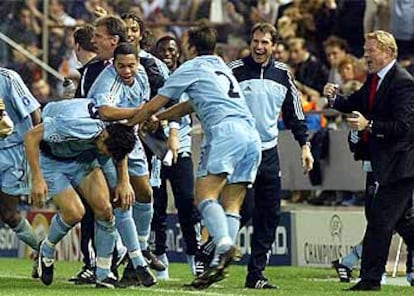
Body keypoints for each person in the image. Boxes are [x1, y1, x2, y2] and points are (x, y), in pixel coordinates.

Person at [127, 24, 262, 289]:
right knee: (232, 204)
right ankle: (215, 266)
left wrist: (130, 122)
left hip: (225, 132)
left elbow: (157, 101)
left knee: (204, 196)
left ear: (190, 45)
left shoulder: (190, 67)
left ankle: (223, 245)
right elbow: (191, 104)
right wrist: (161, 118)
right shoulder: (221, 66)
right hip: (250, 134)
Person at [323, 30, 414, 291]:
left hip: (400, 165)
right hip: (383, 164)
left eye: (370, 50)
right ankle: (370, 278)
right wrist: (334, 98)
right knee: (402, 221)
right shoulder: (375, 80)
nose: (365, 55)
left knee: (380, 220)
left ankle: (370, 280)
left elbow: (404, 127)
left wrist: (369, 125)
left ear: (387, 52)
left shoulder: (403, 82)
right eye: (366, 49)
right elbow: (354, 102)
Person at [228, 22, 314, 289]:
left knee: (270, 212)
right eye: (255, 41)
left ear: (274, 46)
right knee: (245, 209)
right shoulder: (235, 71)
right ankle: (211, 248)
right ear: (250, 42)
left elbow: (294, 113)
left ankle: (256, 274)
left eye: (265, 42)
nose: (259, 46)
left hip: (268, 152)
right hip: (240, 151)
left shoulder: (282, 74)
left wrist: (305, 145)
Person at [25, 98, 136, 288]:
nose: (109, 156)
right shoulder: (74, 124)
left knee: (105, 210)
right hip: (50, 161)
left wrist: (123, 181)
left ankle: (103, 273)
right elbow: (31, 136)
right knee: (75, 213)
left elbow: (119, 151)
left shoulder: (111, 132)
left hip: (81, 159)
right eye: (108, 152)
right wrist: (37, 178)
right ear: (102, 138)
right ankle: (48, 247)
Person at [87, 42, 161, 287]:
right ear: (113, 64)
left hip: (131, 139)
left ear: (138, 62)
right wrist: (141, 111)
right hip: (106, 142)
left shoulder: (141, 76)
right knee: (119, 202)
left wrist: (145, 117)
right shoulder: (107, 81)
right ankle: (116, 264)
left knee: (145, 194)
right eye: (121, 66)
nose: (127, 71)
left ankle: (139, 248)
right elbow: (106, 112)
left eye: (131, 65)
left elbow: (145, 107)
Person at [69, 15, 129, 284]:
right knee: (95, 206)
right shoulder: (91, 70)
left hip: (127, 146)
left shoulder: (136, 67)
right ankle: (94, 263)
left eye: (99, 36)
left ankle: (132, 257)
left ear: (114, 40)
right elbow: (83, 108)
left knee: (125, 202)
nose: (94, 41)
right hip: (96, 146)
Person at [152, 35, 202, 279]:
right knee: (157, 206)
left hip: (180, 148)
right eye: (162, 49)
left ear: (179, 53)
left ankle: (194, 254)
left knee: (187, 202)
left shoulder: (185, 76)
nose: (167, 53)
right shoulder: (150, 76)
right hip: (155, 151)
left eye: (172, 49)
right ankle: (160, 257)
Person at [0, 67, 41, 278]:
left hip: (14, 152)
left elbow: (35, 112)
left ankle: (42, 249)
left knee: (8, 213)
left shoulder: (8, 78)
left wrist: (38, 149)